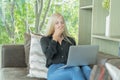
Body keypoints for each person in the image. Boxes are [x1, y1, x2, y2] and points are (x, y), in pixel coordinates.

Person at [40, 13, 91, 80]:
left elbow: (74, 59)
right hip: (55, 70)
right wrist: (55, 38)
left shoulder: (71, 40)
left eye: (62, 22)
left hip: (69, 67)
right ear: (52, 25)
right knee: (75, 70)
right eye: (57, 23)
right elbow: (48, 56)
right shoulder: (45, 39)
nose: (60, 25)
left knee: (86, 69)